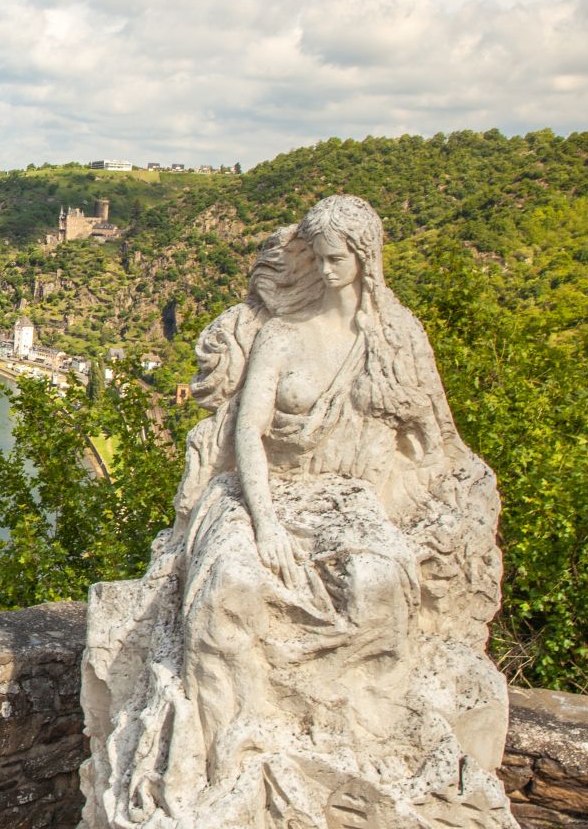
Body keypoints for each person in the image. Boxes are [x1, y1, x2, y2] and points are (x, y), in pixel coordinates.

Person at [82, 196, 512, 829]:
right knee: (230, 583)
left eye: (337, 258)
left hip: (349, 500)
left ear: (365, 259)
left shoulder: (397, 338)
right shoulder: (283, 334)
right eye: (315, 256)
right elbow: (248, 436)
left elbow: (432, 439)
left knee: (378, 583)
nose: (325, 269)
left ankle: (363, 737)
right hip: (261, 492)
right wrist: (267, 523)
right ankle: (224, 756)